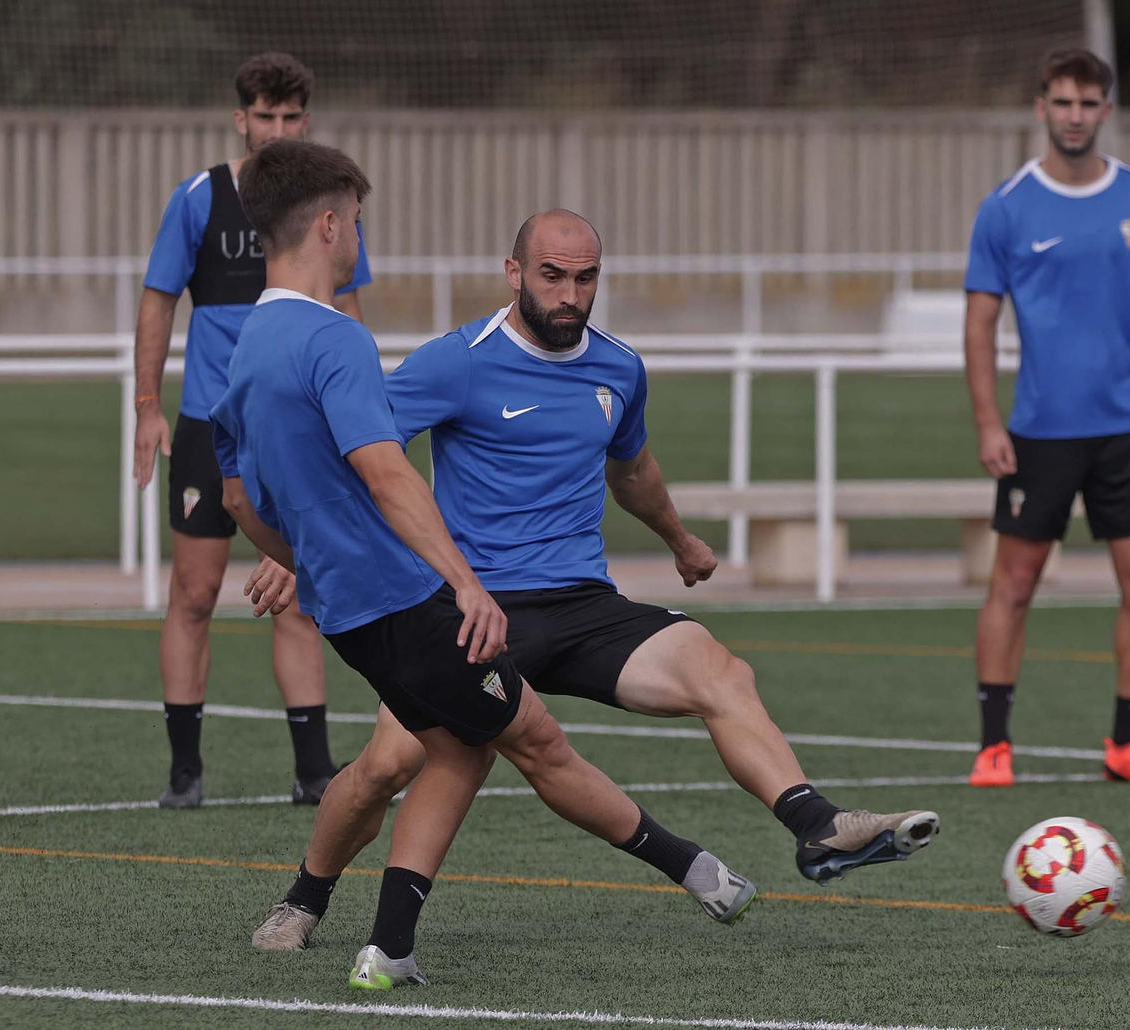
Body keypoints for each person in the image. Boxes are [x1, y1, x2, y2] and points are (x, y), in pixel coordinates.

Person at [244, 208, 942, 967]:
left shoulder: (618, 367)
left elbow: (632, 470)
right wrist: (297, 549)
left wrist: (680, 540)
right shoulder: (456, 360)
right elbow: (363, 453)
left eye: (585, 278)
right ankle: (304, 900)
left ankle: (817, 825)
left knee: (720, 671)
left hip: (584, 605)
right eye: (552, 275)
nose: (570, 294)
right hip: (475, 609)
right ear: (514, 274)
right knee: (387, 766)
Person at [213, 142, 759, 991]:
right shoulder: (337, 339)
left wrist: (296, 560)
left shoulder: (246, 341)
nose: (361, 236)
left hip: (347, 607)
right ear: (327, 224)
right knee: (523, 743)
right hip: (402, 597)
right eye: (356, 221)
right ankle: (393, 945)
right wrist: (464, 584)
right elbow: (388, 472)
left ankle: (332, 913)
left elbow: (241, 493)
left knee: (457, 747)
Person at [131, 53, 371, 808]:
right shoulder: (199, 197)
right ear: (241, 120)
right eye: (262, 116)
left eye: (289, 117)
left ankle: (313, 772)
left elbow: (349, 313)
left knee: (303, 592)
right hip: (210, 423)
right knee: (194, 593)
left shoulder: (326, 207)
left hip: (296, 426)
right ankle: (184, 773)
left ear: (306, 120)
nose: (275, 129)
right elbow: (158, 301)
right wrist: (146, 405)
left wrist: (363, 413)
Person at [962, 48, 1130, 788]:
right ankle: (994, 746)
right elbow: (979, 323)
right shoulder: (1006, 206)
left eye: (1088, 104)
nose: (1074, 116)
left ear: (1107, 109)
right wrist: (988, 423)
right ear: (1041, 108)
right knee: (1015, 584)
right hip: (1038, 432)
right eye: (1062, 102)